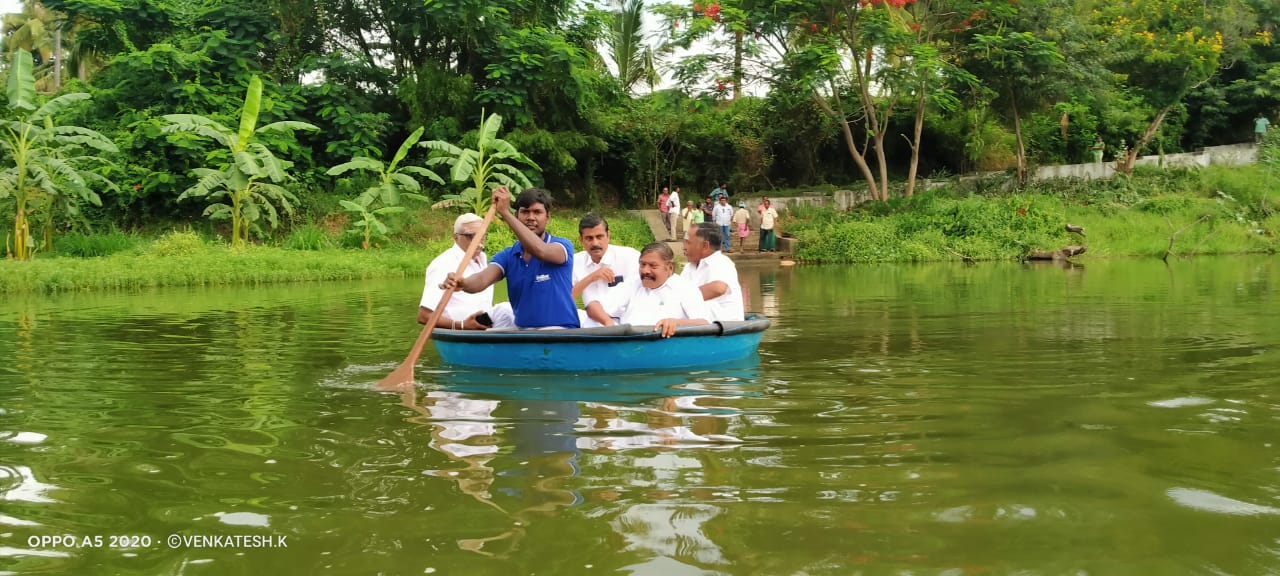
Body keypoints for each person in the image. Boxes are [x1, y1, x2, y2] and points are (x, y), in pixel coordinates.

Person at [443, 187, 580, 329]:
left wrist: (505, 213)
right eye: (525, 212)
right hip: (523, 332)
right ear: (517, 215)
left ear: (547, 217)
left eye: (537, 212)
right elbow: (481, 280)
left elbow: (540, 250)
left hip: (560, 330)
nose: (531, 217)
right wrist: (463, 283)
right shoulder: (508, 256)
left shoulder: (561, 246)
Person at [583, 242, 710, 337]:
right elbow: (593, 306)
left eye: (653, 266)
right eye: (642, 264)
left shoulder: (686, 288)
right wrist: (608, 323)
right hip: (626, 344)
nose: (645, 271)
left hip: (667, 345)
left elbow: (704, 323)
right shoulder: (633, 283)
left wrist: (676, 323)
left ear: (669, 268)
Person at [419, 212, 495, 330]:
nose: (478, 242)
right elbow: (424, 316)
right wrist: (462, 325)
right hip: (459, 333)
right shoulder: (443, 264)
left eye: (482, 236)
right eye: (471, 236)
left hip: (484, 330)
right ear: (456, 237)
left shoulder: (482, 259)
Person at [572, 214, 641, 327]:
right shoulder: (575, 262)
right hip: (593, 320)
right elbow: (565, 298)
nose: (595, 243)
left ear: (608, 235)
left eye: (599, 237)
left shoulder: (630, 257)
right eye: (589, 238)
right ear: (581, 240)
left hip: (628, 321)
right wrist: (591, 278)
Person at [681, 223, 745, 322]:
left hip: (722, 327)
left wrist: (679, 298)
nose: (684, 247)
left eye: (688, 243)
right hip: (697, 324)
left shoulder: (721, 262)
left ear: (705, 246)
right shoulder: (689, 267)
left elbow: (718, 288)